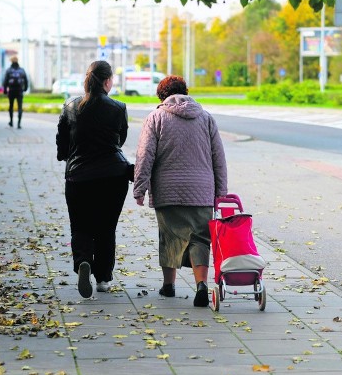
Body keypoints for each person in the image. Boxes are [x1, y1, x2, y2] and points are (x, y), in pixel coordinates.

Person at [133, 75, 228, 307]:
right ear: (185, 91)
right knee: (200, 239)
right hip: (202, 190)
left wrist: (140, 188)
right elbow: (219, 157)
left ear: (161, 96)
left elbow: (145, 156)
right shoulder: (206, 118)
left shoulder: (156, 118)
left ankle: (169, 286)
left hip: (168, 189)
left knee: (170, 237)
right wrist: (221, 191)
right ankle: (201, 285)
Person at [56, 60, 132, 298]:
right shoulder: (118, 107)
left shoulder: (71, 105)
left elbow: (62, 142)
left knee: (80, 225)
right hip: (113, 177)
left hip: (79, 176)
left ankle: (83, 263)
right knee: (107, 228)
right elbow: (120, 140)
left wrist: (68, 156)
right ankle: (103, 279)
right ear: (108, 81)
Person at [3, 55, 28, 129]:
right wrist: (25, 89)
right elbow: (26, 80)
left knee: (11, 106)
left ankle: (11, 122)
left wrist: (5, 90)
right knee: (20, 107)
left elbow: (5, 81)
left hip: (11, 91)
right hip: (19, 91)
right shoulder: (22, 70)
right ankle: (19, 124)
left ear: (11, 61)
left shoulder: (9, 70)